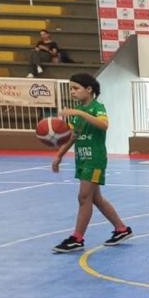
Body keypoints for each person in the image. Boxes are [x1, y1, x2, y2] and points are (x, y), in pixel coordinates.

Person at [50, 73, 133, 253]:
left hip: (94, 159)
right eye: (71, 88)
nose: (72, 92)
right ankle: (121, 229)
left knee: (83, 197)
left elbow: (104, 125)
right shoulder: (78, 113)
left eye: (76, 88)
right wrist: (59, 155)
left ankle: (77, 238)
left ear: (89, 89)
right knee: (96, 199)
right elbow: (73, 137)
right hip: (82, 158)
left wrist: (80, 112)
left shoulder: (97, 107)